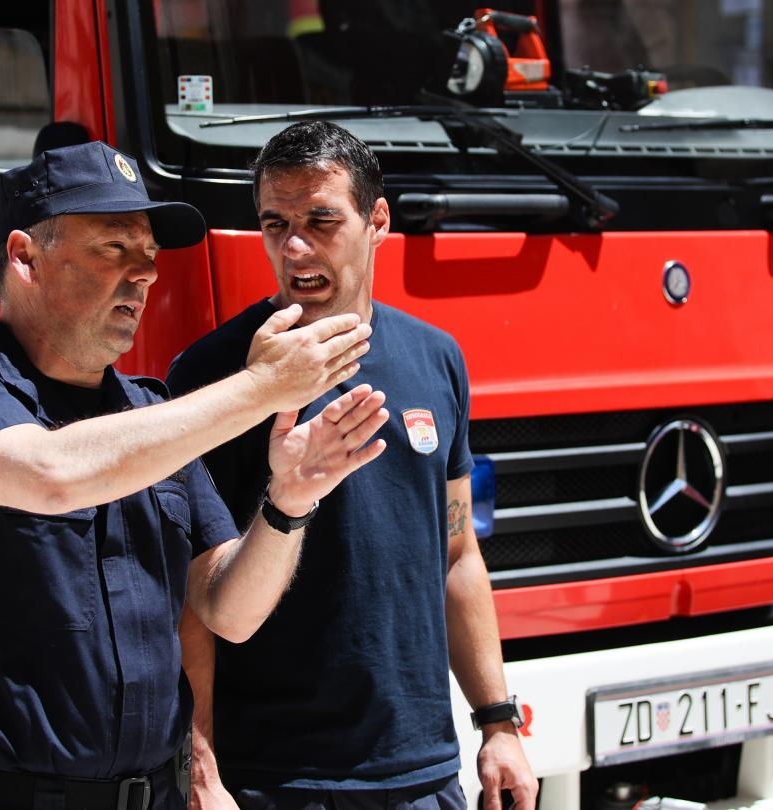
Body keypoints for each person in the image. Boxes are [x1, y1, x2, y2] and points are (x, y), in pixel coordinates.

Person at [0, 140, 391, 810]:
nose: (144, 275)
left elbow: (229, 611)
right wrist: (259, 388)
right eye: (114, 248)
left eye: (149, 256)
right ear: (24, 257)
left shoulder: (151, 414)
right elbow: (51, 474)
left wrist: (289, 502)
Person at [168, 122, 538, 810]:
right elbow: (191, 598)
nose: (295, 247)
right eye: (274, 223)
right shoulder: (215, 374)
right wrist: (200, 767)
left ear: (378, 221)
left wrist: (497, 723)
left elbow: (457, 555)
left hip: (425, 775)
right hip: (279, 781)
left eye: (320, 220)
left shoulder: (437, 357)